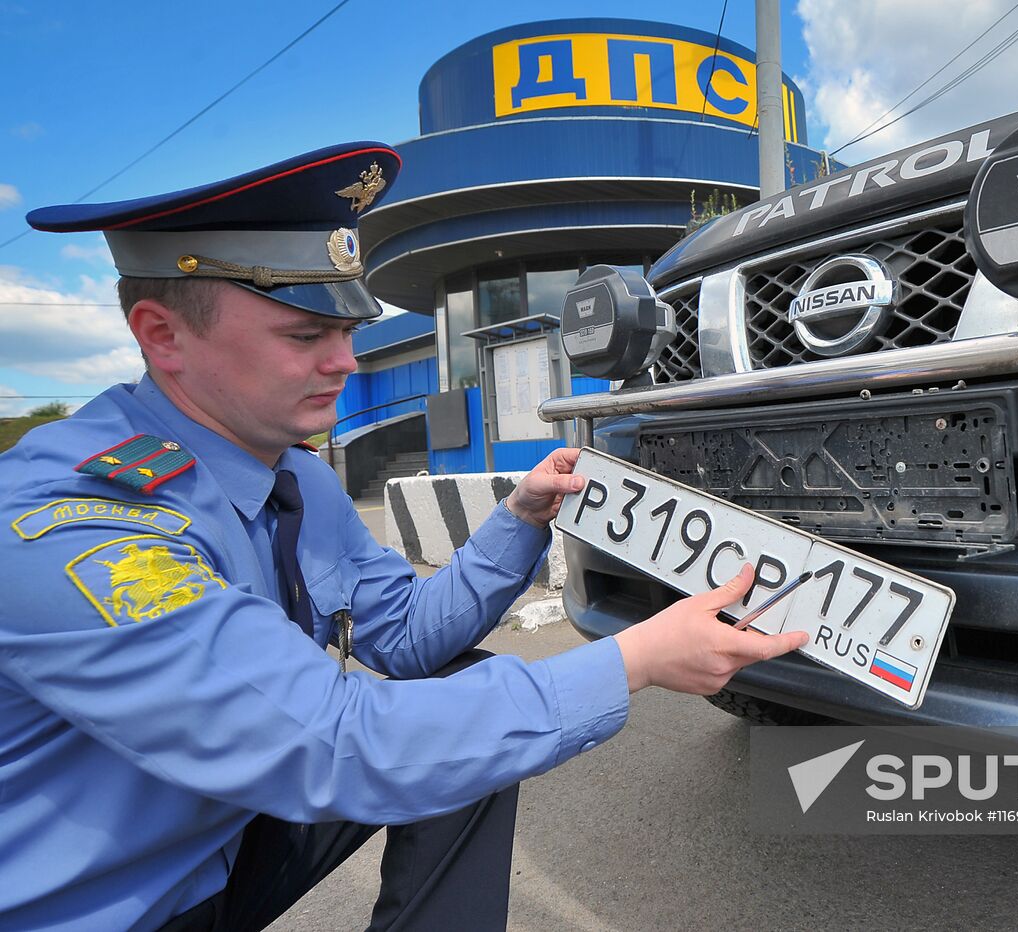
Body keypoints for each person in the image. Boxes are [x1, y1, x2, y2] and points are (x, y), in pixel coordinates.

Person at [0, 141, 809, 931]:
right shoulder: (75, 523)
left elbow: (410, 639)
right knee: (450, 728)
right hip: (110, 903)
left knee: (470, 706)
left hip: (222, 843)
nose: (345, 364)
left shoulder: (293, 471)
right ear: (163, 336)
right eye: (305, 336)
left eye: (348, 332)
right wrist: (632, 661)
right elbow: (331, 744)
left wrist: (522, 517)